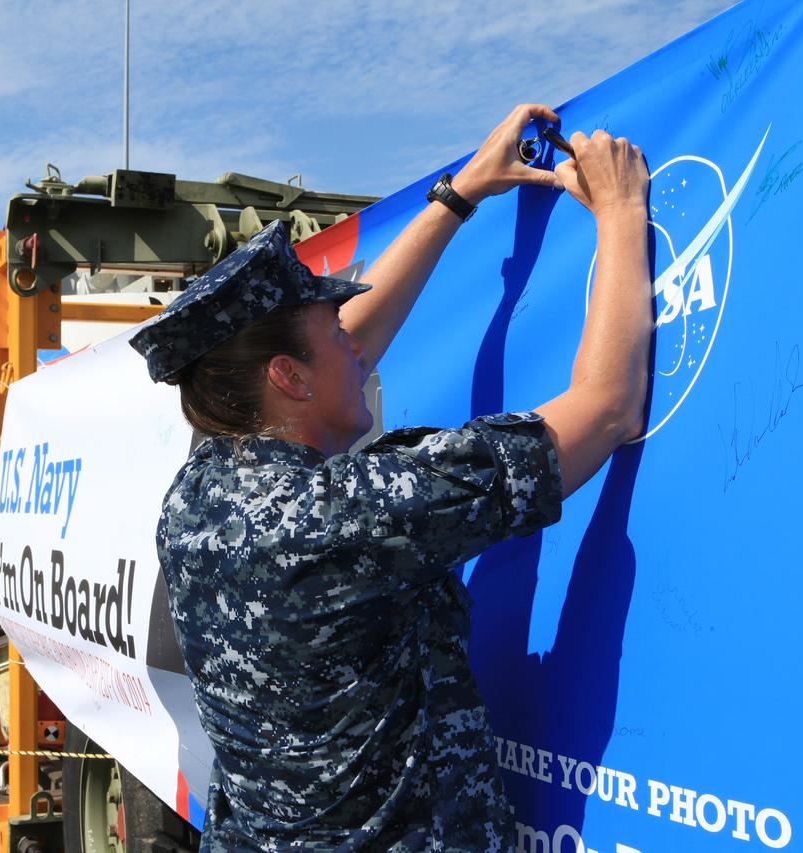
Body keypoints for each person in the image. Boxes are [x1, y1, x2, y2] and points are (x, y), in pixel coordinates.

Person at [130, 103, 651, 851]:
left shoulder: (201, 493)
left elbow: (344, 356)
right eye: (333, 337)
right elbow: (605, 409)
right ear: (287, 378)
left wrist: (459, 193)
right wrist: (622, 208)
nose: (358, 350)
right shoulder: (343, 515)